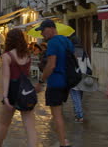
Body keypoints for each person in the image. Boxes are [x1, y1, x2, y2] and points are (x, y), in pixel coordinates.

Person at [0, 29, 38, 147]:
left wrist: (5, 96)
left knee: (4, 123)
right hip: (26, 91)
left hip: (12, 91)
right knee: (30, 127)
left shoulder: (7, 56)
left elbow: (6, 77)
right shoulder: (27, 55)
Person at [34, 19, 73, 147]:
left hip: (55, 82)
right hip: (66, 82)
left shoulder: (52, 43)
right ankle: (64, 139)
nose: (42, 35)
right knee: (59, 114)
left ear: (51, 28)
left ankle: (63, 143)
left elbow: (51, 65)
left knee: (56, 116)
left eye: (43, 31)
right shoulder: (67, 41)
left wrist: (40, 81)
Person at [69, 36, 92, 123]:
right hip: (83, 78)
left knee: (75, 97)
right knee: (79, 97)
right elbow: (89, 66)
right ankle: (77, 115)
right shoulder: (84, 53)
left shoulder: (71, 52)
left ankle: (79, 116)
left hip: (74, 78)